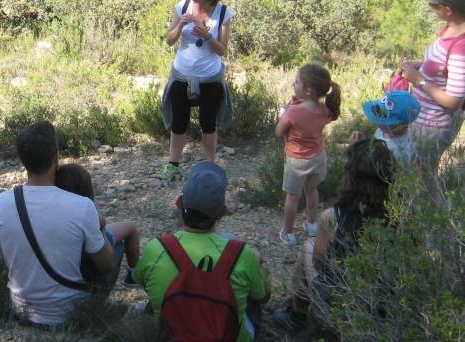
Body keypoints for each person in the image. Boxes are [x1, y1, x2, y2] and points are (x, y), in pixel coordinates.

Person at [0, 121, 115, 328]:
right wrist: (101, 229)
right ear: (56, 157)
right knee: (112, 246)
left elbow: (4, 255)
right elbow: (106, 265)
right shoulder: (82, 206)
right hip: (71, 313)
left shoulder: (0, 203)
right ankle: (101, 310)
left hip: (20, 310)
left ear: (22, 160)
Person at [133, 162, 270, 342]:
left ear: (179, 203)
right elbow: (264, 297)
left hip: (172, 336)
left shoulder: (155, 248)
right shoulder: (242, 254)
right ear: (223, 212)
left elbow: (138, 280)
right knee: (251, 293)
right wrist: (258, 264)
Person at [275, 138, 395, 332]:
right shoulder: (400, 216)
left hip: (341, 304)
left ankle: (298, 315)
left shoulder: (334, 217)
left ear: (351, 175)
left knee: (308, 247)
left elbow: (319, 264)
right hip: (383, 308)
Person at [160, 0, 234, 181]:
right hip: (182, 74)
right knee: (179, 121)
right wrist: (179, 24)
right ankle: (173, 164)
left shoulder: (223, 13)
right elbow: (169, 39)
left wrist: (208, 36)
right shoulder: (183, 6)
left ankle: (210, 165)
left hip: (210, 76)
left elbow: (223, 50)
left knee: (208, 122)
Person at [400, 0, 465, 199]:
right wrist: (421, 66)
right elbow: (443, 69)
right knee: (418, 169)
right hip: (425, 117)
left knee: (425, 176)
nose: (431, 9)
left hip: (436, 124)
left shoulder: (460, 46)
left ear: (448, 9)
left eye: (434, 6)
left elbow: (454, 100)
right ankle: (423, 223)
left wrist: (419, 80)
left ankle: (435, 229)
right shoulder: (448, 30)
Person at [275, 63, 341, 246]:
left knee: (293, 197)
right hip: (318, 158)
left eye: (297, 82)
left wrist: (288, 110)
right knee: (312, 190)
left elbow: (279, 132)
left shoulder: (294, 111)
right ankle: (311, 223)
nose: (293, 85)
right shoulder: (326, 110)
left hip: (297, 161)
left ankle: (288, 232)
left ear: (309, 90)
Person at [54, 163, 141, 287]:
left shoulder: (53, 208)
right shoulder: (85, 206)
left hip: (64, 266)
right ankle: (134, 276)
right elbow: (99, 224)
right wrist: (101, 226)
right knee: (130, 228)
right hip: (91, 258)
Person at [359, 90, 421, 166]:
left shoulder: (400, 150)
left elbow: (389, 172)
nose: (378, 122)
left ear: (399, 127)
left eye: (383, 118)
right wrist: (363, 142)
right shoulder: (383, 130)